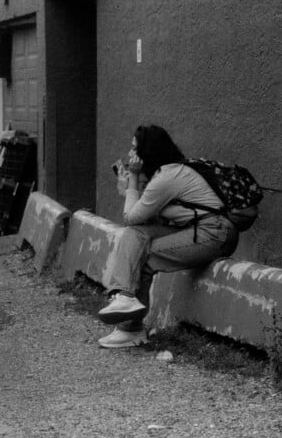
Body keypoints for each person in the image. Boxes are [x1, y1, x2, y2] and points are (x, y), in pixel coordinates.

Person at [97, 125, 240, 348]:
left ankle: (130, 327)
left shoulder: (167, 177)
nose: (130, 154)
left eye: (134, 148)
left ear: (147, 151)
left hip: (215, 233)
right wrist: (131, 188)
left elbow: (130, 217)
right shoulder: (163, 175)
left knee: (143, 255)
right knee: (136, 235)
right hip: (198, 230)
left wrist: (132, 179)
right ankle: (125, 299)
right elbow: (141, 224)